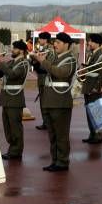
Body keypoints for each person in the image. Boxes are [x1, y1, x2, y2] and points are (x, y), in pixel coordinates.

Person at [32, 32, 77, 172]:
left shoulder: (70, 59)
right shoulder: (54, 57)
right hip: (49, 100)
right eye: (55, 42)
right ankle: (55, 160)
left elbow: (59, 73)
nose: (55, 45)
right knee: (52, 134)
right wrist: (36, 60)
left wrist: (43, 61)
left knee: (61, 134)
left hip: (60, 101)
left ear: (66, 44)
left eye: (58, 42)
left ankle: (62, 161)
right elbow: (43, 70)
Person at [0, 41, 31, 160]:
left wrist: (2, 63)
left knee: (15, 127)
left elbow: (12, 75)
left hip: (15, 99)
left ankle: (16, 151)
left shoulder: (24, 63)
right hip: (6, 98)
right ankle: (12, 148)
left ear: (21, 51)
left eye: (14, 49)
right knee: (8, 126)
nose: (12, 50)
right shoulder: (11, 62)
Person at [81, 33, 102, 144]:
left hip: (94, 87)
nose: (89, 43)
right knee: (89, 111)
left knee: (96, 111)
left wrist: (96, 87)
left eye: (91, 41)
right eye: (89, 41)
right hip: (88, 85)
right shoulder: (91, 54)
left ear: (98, 43)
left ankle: (98, 135)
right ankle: (92, 134)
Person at [33, 32, 52, 130]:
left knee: (45, 101)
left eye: (40, 39)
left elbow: (46, 65)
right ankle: (45, 122)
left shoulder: (49, 50)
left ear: (45, 40)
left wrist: (37, 60)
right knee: (42, 101)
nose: (39, 40)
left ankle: (48, 122)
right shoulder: (41, 49)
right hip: (41, 77)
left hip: (46, 77)